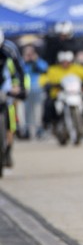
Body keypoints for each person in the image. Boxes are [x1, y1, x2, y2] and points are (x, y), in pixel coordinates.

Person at [39, 51, 83, 134]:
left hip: (74, 93)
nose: (65, 64)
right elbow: (44, 77)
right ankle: (50, 123)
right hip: (58, 94)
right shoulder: (53, 70)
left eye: (67, 62)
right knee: (49, 105)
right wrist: (47, 84)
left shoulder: (77, 68)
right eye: (63, 62)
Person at [0, 30, 27, 168]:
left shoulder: (9, 48)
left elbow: (20, 69)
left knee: (10, 117)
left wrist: (22, 88)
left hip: (5, 85)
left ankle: (8, 150)